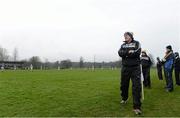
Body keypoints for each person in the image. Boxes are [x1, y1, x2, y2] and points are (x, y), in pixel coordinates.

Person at [118, 32, 142, 115]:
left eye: (127, 36)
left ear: (131, 37)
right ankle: (124, 98)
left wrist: (126, 54)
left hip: (135, 68)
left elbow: (137, 52)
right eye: (124, 36)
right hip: (125, 67)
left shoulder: (137, 43)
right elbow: (120, 53)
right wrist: (129, 52)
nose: (125, 37)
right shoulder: (122, 45)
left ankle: (137, 107)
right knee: (124, 85)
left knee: (136, 87)